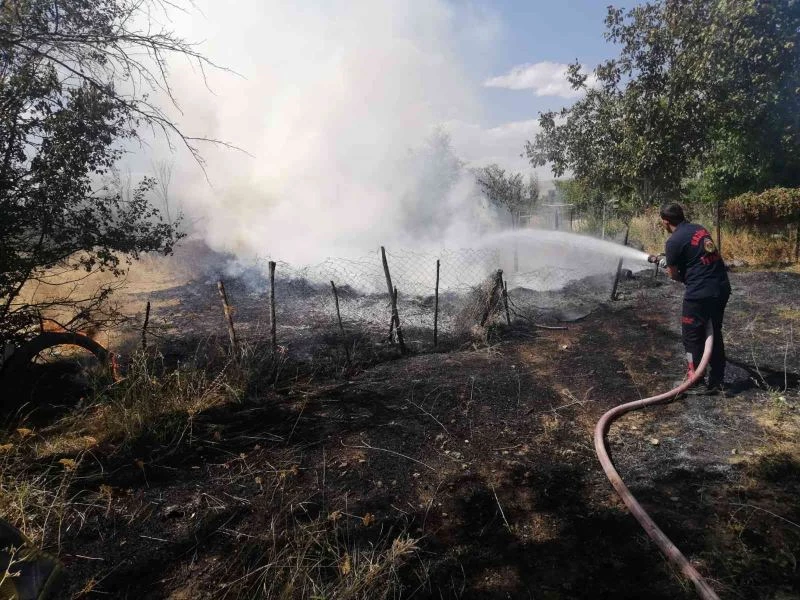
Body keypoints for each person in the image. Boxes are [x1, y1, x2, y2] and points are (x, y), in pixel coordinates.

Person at [648, 202, 731, 395]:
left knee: (692, 336)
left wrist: (667, 265)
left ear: (665, 222)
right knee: (714, 333)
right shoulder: (699, 229)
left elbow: (674, 276)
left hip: (699, 294)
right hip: (721, 287)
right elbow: (696, 254)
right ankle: (718, 379)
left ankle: (695, 378)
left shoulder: (673, 241)